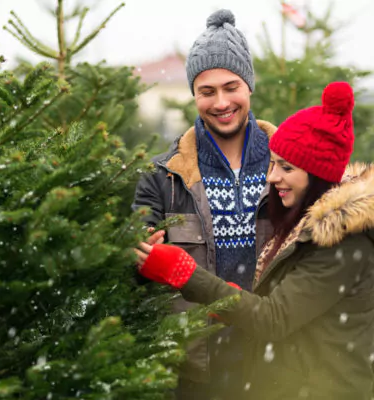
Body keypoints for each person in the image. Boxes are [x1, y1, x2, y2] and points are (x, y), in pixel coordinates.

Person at [135, 81, 374, 400]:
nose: (272, 177)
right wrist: (228, 302)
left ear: (317, 174)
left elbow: (273, 319)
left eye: (286, 168)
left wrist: (185, 273)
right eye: (273, 164)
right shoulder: (304, 226)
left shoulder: (342, 242)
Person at [132, 8, 276, 398]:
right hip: (196, 366)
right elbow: (135, 258)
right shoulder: (162, 177)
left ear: (250, 85)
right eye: (207, 91)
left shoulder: (288, 168)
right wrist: (142, 251)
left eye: (231, 87)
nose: (221, 102)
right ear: (194, 94)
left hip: (277, 362)